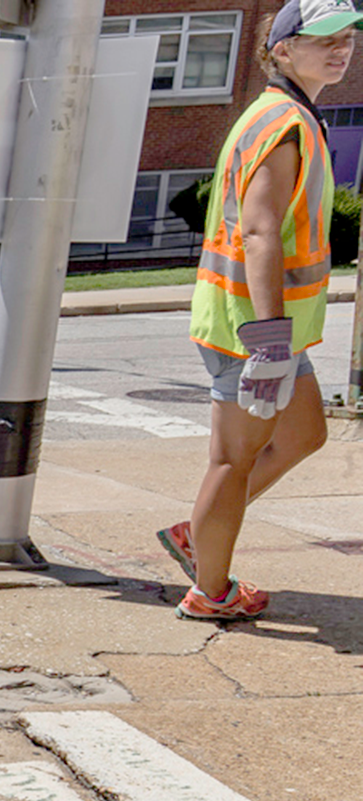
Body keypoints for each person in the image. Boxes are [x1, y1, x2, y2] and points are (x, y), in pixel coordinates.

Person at [162, 0, 356, 621]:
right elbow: (261, 231)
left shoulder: (288, 112)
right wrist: (271, 339)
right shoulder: (283, 124)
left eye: (347, 37)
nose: (340, 49)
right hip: (252, 326)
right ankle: (210, 593)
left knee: (304, 434)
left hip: (269, 325)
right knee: (232, 458)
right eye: (322, 38)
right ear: (280, 49)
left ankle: (199, 533)